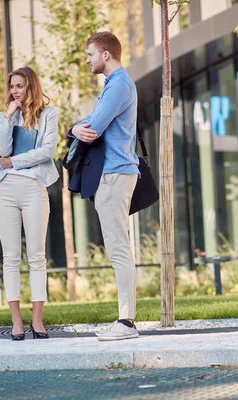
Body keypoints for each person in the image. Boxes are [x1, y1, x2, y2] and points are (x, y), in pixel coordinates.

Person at [70, 32, 140, 341]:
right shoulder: (114, 85)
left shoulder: (119, 84)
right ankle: (125, 320)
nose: (87, 60)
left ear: (106, 55)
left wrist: (76, 127)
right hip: (112, 174)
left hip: (114, 174)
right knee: (117, 247)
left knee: (118, 249)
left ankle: (126, 323)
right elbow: (90, 122)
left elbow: (93, 128)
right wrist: (78, 126)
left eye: (90, 55)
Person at [0, 67, 59, 341]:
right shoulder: (6, 116)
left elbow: (48, 151)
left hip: (34, 188)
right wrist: (7, 119)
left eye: (19, 86)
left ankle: (37, 321)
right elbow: (1, 151)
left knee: (37, 257)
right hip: (6, 189)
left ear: (31, 86)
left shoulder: (49, 114)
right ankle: (16, 321)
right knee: (10, 258)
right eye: (12, 86)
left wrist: (15, 162)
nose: (14, 91)